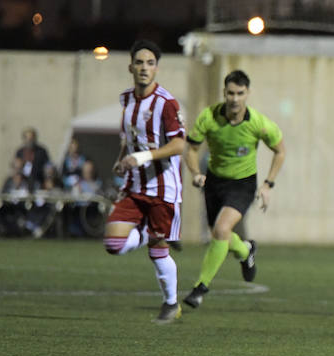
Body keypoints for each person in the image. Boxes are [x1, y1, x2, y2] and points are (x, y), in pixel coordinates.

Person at [180, 69, 286, 309]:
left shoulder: (259, 123)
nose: (235, 98)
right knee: (221, 236)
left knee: (221, 229)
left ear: (247, 93)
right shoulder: (208, 117)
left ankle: (200, 287)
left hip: (243, 184)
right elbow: (192, 150)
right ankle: (246, 250)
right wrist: (196, 173)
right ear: (224, 93)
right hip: (214, 182)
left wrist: (268, 184)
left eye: (240, 93)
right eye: (230, 93)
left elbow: (280, 150)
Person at [102, 40, 187, 324]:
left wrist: (143, 157)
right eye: (139, 62)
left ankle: (171, 303)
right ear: (130, 66)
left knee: (157, 250)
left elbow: (179, 145)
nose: (144, 68)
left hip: (164, 188)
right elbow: (129, 138)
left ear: (157, 68)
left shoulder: (166, 103)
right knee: (113, 243)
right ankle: (145, 233)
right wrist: (122, 157)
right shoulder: (126, 99)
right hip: (135, 187)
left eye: (150, 63)